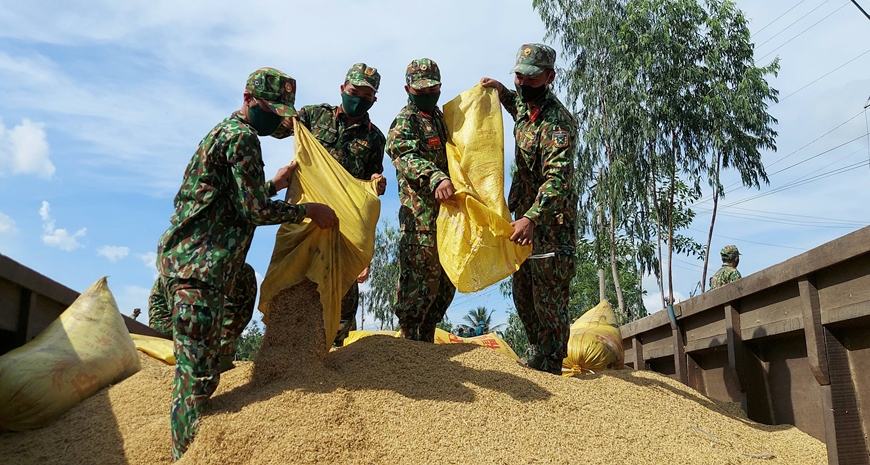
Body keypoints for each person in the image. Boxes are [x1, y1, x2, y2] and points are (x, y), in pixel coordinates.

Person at [154, 67, 337, 461]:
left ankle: (220, 352)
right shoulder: (241, 138)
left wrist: (273, 183)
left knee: (245, 283)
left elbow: (233, 201)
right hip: (196, 271)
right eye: (271, 110)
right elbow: (252, 210)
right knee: (195, 378)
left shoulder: (227, 134)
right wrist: (305, 209)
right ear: (249, 99)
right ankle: (184, 452)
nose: (276, 119)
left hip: (210, 269)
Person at [272, 63, 386, 346]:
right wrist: (282, 115)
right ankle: (284, 348)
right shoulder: (313, 115)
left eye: (365, 94)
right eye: (352, 91)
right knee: (295, 278)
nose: (357, 98)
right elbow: (276, 129)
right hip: (304, 215)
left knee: (342, 289)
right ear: (342, 89)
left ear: (374, 99)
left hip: (342, 225)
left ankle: (332, 349)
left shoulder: (375, 138)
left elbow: (368, 184)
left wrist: (376, 182)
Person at [481, 43, 578, 375]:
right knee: (522, 291)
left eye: (531, 78)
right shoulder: (525, 104)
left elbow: (558, 180)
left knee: (547, 298)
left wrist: (532, 217)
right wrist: (500, 90)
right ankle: (536, 352)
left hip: (550, 224)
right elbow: (515, 103)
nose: (522, 84)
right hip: (522, 220)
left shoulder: (558, 123)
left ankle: (551, 365)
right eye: (519, 76)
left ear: (549, 77)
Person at [386, 58, 456, 343]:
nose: (428, 95)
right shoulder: (405, 122)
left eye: (433, 89)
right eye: (421, 91)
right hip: (421, 221)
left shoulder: (440, 118)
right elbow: (405, 156)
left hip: (448, 219)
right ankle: (408, 343)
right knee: (418, 283)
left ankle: (425, 342)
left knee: (445, 284)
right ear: (407, 88)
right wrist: (435, 176)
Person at [148, 262, 256, 372]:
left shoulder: (238, 271)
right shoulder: (170, 275)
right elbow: (158, 320)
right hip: (180, 353)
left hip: (208, 354)